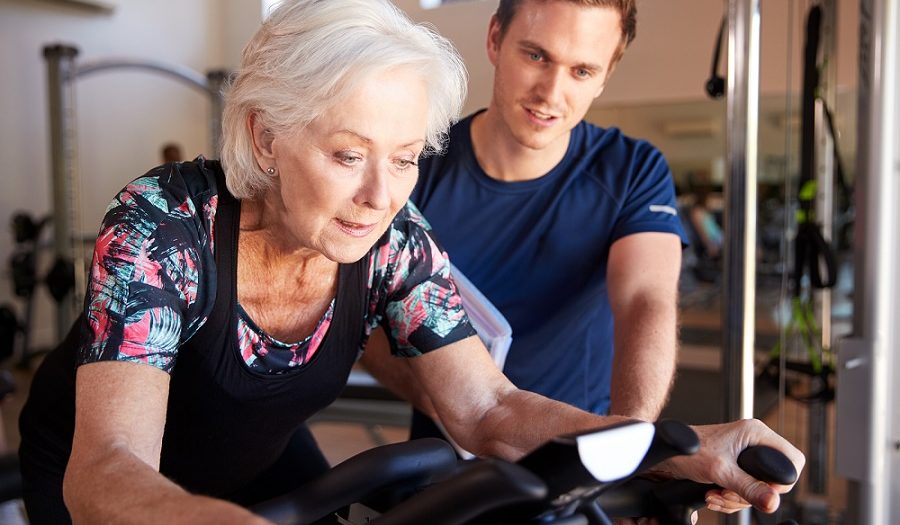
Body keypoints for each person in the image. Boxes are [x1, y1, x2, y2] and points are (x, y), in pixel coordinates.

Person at [18, 0, 802, 524]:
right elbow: (107, 468)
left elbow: (488, 409)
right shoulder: (164, 226)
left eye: (402, 159)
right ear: (265, 138)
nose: (378, 195)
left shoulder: (393, 233)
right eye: (348, 154)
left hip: (256, 459)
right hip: (104, 485)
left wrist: (684, 443)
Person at [363, 0, 684, 445]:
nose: (551, 93)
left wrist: (628, 442)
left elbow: (645, 301)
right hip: (447, 456)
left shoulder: (631, 170)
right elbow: (366, 325)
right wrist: (474, 416)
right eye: (536, 56)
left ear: (606, 74)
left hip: (581, 458)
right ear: (495, 39)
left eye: (582, 71)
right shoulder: (415, 165)